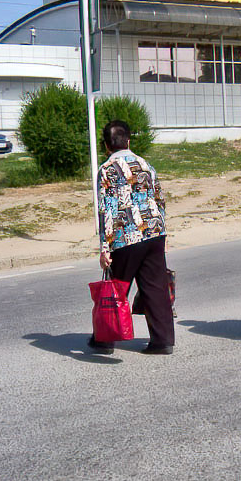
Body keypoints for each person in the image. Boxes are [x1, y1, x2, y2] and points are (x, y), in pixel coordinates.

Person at [90, 120, 174, 355]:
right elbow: (159, 198)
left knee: (116, 288)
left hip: (125, 236)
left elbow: (107, 209)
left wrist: (104, 248)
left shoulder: (107, 169)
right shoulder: (145, 164)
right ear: (128, 140)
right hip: (154, 231)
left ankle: (105, 339)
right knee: (155, 288)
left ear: (107, 146)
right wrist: (163, 231)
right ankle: (163, 341)